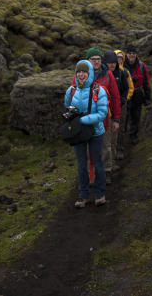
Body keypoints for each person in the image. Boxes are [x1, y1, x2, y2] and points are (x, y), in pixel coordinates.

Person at [70, 47, 121, 184]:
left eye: (98, 59)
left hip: (104, 118)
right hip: (85, 118)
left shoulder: (108, 74)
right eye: (93, 59)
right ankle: (90, 174)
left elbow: (115, 97)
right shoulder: (80, 74)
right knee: (87, 147)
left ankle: (105, 173)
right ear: (88, 60)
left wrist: (116, 118)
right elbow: (72, 96)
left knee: (105, 146)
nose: (96, 62)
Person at [64, 59, 108, 207]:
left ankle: (100, 194)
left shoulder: (98, 90)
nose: (81, 74)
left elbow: (102, 114)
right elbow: (67, 106)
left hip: (96, 132)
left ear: (89, 73)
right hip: (79, 134)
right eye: (79, 72)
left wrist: (82, 120)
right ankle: (83, 196)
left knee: (97, 163)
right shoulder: (71, 90)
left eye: (84, 72)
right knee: (82, 164)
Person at [123, 45, 151, 145]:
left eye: (133, 53)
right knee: (124, 118)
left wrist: (147, 97)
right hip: (125, 96)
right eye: (130, 53)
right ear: (127, 54)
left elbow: (146, 82)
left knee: (136, 117)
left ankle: (133, 135)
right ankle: (121, 139)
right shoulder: (122, 65)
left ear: (136, 54)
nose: (132, 55)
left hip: (138, 94)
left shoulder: (141, 66)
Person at [112, 49, 134, 162]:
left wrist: (124, 99)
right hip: (110, 105)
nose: (119, 59)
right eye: (117, 57)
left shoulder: (125, 72)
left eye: (121, 58)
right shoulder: (109, 71)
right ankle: (111, 152)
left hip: (122, 104)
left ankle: (119, 149)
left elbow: (130, 88)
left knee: (120, 128)